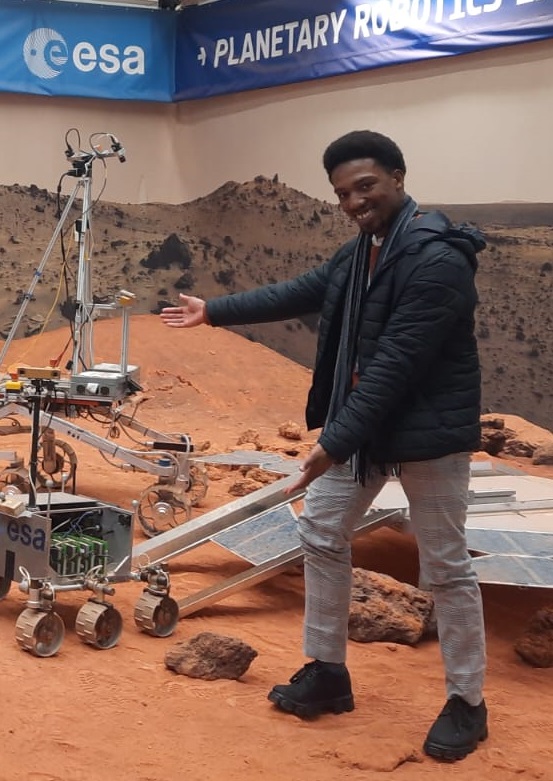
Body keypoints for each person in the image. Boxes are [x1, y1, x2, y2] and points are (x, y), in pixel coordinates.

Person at [160, 130, 488, 761]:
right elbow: (304, 291)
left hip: (426, 435)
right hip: (363, 429)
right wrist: (216, 310)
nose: (354, 201)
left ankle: (468, 701)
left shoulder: (436, 258)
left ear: (397, 177)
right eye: (342, 193)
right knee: (322, 532)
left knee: (445, 565)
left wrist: (329, 446)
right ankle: (328, 672)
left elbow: (395, 366)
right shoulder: (362, 250)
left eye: (365, 186)